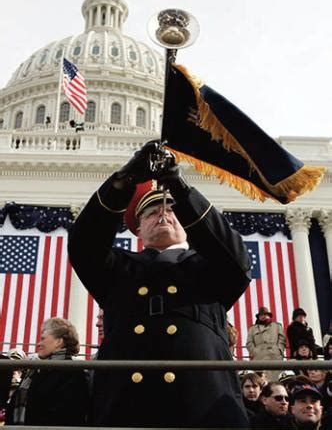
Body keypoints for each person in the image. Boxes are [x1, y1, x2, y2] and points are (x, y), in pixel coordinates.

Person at [68, 140, 252, 428]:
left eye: (171, 209)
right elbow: (84, 244)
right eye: (151, 213)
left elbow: (237, 259)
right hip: (128, 406)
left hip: (203, 405)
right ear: (138, 228)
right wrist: (123, 183)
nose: (163, 214)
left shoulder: (210, 267)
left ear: (186, 222)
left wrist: (179, 186)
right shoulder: (118, 268)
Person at [6, 317, 89, 426]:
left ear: (59, 342)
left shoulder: (72, 373)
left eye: (43, 338)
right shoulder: (38, 371)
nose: (38, 344)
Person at [246, 306, 286, 380]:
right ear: (258, 317)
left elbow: (282, 339)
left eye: (265, 314)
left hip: (275, 358)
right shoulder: (252, 329)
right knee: (260, 381)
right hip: (259, 358)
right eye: (261, 315)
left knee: (275, 380)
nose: (263, 316)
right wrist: (255, 352)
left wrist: (279, 350)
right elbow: (249, 342)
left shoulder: (277, 326)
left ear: (269, 316)